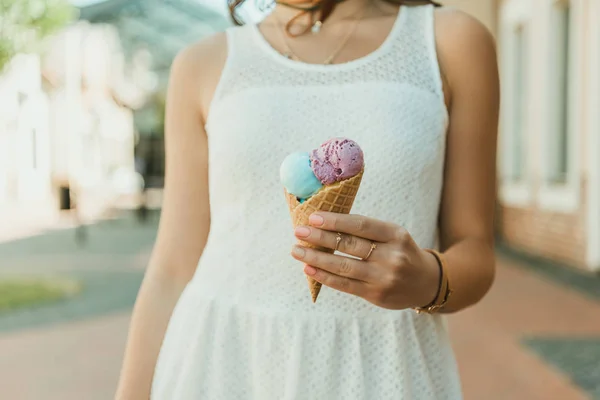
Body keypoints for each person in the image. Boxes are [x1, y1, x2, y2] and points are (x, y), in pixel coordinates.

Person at [115, 0, 499, 398]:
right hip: (225, 361)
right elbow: (173, 269)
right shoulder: (203, 62)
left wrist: (429, 281)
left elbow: (475, 250)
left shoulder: (448, 42)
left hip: (384, 368)